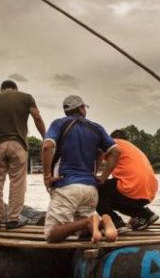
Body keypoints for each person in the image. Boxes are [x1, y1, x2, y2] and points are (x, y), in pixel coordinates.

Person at [42, 95, 120, 243]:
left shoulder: (59, 124)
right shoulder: (96, 128)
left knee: (51, 234)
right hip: (90, 189)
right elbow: (115, 151)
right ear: (81, 108)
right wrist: (103, 176)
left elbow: (47, 146)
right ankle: (102, 221)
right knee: (84, 233)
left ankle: (88, 222)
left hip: (67, 186)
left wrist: (47, 176)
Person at [0, 80, 46, 229]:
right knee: (17, 183)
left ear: (1, 90)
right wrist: (46, 137)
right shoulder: (26, 97)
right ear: (15, 89)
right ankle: (13, 220)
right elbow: (37, 117)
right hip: (18, 146)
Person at [96, 129, 159, 232]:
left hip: (133, 187)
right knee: (110, 199)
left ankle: (116, 223)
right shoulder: (132, 148)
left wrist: (96, 175)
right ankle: (145, 214)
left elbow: (97, 154)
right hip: (149, 192)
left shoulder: (113, 143)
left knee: (95, 191)